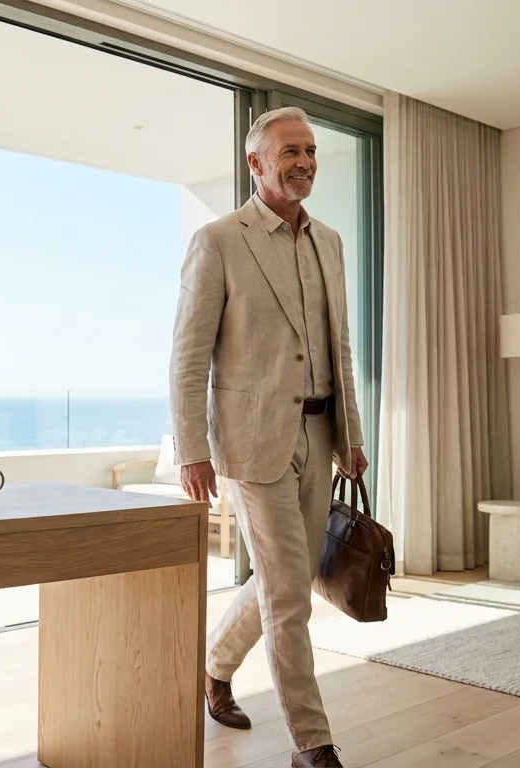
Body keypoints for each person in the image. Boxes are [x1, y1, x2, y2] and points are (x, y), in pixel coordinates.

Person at [169, 106, 366, 768]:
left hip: (321, 432)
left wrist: (351, 434)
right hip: (253, 444)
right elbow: (188, 356)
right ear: (256, 163)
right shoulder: (220, 240)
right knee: (288, 596)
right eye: (290, 152)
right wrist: (192, 449)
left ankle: (213, 667)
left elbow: (340, 347)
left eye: (310, 151)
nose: (304, 162)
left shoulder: (329, 242)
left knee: (287, 579)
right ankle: (313, 744)